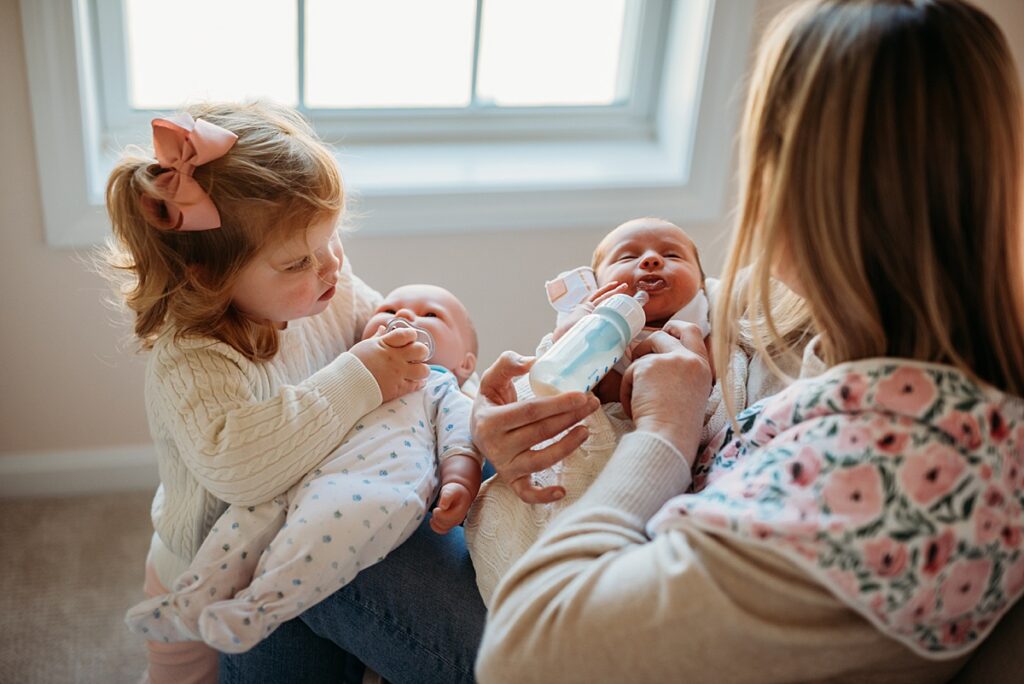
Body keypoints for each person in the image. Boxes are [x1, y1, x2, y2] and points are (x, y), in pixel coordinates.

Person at [222, 1, 1024, 682]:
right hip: (600, 539)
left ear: (796, 182)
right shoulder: (833, 322)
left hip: (559, 635)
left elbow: (530, 655)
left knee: (300, 531)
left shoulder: (897, 471)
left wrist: (664, 433)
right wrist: (494, 437)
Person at [103, 101, 433, 683]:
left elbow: (376, 335)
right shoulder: (194, 359)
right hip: (199, 570)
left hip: (298, 539)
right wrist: (360, 376)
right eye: (298, 261)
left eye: (332, 240)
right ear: (211, 276)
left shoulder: (329, 290)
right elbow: (243, 470)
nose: (331, 267)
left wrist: (402, 338)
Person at [124, 284, 482, 653]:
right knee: (240, 528)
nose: (403, 316)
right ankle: (191, 600)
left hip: (367, 488)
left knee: (313, 547)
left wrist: (459, 480)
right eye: (388, 311)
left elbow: (462, 440)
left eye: (430, 315)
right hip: (300, 469)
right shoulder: (351, 364)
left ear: (466, 364)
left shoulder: (442, 387)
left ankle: (256, 609)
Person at [465, 217, 745, 605]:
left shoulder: (710, 331)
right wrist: (570, 337)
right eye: (627, 257)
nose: (650, 260)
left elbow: (709, 385)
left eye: (672, 255)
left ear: (702, 283)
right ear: (597, 285)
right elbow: (575, 396)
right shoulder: (591, 331)